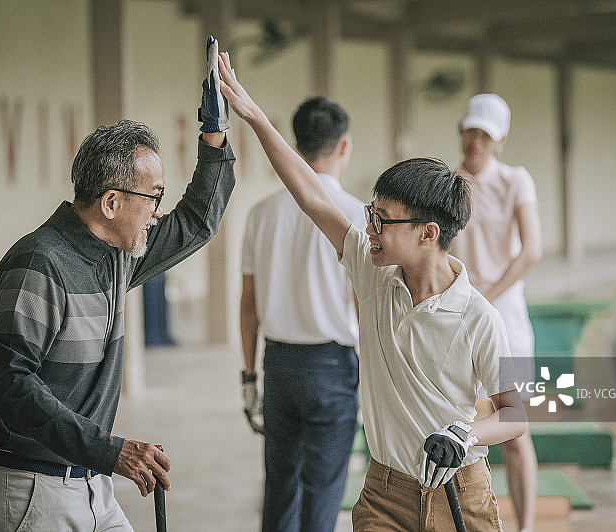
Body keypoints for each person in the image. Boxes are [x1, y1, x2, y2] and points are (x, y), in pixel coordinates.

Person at [218, 52, 527, 531]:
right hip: (384, 495)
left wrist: (466, 434)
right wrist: (256, 118)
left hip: (460, 493)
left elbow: (514, 412)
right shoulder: (370, 269)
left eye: (384, 220)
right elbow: (310, 193)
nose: (371, 228)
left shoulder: (480, 317)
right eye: (371, 215)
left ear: (428, 232)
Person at [0, 37, 235, 531]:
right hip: (26, 491)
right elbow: (12, 386)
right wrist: (111, 451)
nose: (157, 213)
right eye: (153, 197)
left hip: (90, 485)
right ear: (110, 203)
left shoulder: (116, 256)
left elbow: (195, 223)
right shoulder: (38, 265)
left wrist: (213, 137)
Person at [240, 96, 365, 531]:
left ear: (294, 141)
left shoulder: (260, 214)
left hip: (278, 364)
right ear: (344, 146)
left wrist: (248, 376)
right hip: (331, 364)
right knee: (324, 489)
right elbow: (362, 305)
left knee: (279, 484)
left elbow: (249, 303)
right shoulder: (356, 216)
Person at [450, 93, 543, 532]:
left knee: (515, 429)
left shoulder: (515, 180)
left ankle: (524, 528)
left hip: (505, 314)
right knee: (463, 427)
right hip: (459, 316)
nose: (476, 140)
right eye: (471, 130)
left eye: (485, 134)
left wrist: (487, 292)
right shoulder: (447, 182)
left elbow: (532, 250)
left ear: (500, 140)